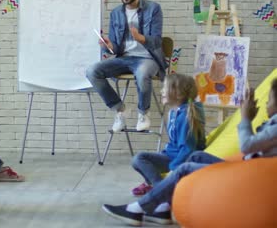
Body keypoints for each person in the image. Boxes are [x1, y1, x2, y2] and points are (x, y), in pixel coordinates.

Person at [102, 78, 277, 226]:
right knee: (194, 157)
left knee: (185, 167)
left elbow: (246, 145)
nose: (266, 104)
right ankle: (162, 204)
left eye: (269, 100)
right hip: (246, 167)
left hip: (246, 173)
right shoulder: (174, 112)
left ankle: (139, 208)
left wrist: (246, 118)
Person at [86, 0, 167, 132]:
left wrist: (141, 38)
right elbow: (115, 48)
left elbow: (158, 41)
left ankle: (143, 113)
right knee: (92, 71)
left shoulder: (154, 8)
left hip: (148, 58)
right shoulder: (116, 13)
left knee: (143, 73)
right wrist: (107, 45)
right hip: (124, 59)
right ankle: (120, 110)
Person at [131, 73, 206, 196]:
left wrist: (173, 169)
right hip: (172, 155)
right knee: (138, 160)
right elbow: (174, 143)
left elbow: (187, 150)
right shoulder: (173, 112)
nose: (161, 91)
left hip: (180, 159)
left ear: (178, 94)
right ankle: (155, 183)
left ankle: (161, 189)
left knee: (140, 159)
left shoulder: (185, 117)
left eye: (165, 88)